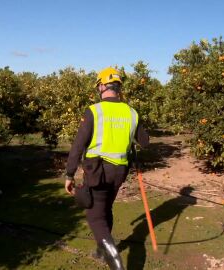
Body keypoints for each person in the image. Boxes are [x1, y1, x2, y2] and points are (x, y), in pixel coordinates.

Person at [64, 67, 149, 270]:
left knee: (95, 218)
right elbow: (145, 142)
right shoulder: (132, 112)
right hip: (119, 173)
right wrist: (129, 136)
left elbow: (78, 145)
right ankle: (102, 252)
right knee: (105, 209)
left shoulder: (94, 110)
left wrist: (69, 173)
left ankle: (117, 266)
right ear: (119, 87)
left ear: (102, 86)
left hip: (98, 172)